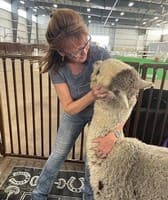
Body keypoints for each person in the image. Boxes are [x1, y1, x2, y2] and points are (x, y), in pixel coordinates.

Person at [31, 8, 119, 200]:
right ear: (61, 51)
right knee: (58, 154)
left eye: (86, 43)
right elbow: (69, 107)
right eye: (77, 51)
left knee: (91, 159)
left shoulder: (101, 54)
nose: (84, 51)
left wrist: (115, 131)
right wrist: (92, 95)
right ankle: (38, 194)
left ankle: (88, 196)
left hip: (101, 113)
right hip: (75, 111)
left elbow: (120, 99)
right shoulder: (58, 68)